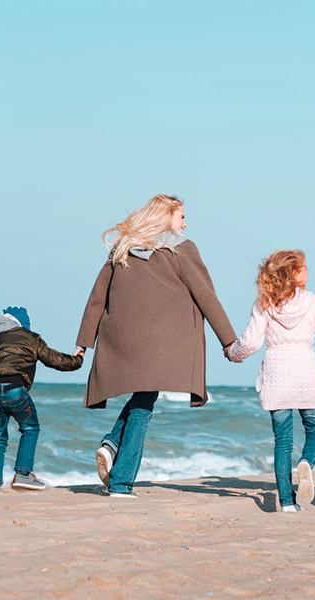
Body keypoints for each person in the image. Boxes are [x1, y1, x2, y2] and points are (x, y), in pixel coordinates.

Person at [76, 194, 237, 498]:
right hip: (163, 343)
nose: (185, 223)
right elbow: (206, 295)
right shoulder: (181, 249)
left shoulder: (122, 250)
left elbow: (96, 298)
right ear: (165, 219)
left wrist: (83, 344)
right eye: (181, 217)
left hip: (121, 339)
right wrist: (228, 340)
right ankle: (122, 482)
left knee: (143, 396)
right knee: (144, 407)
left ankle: (111, 444)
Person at [225, 250, 315, 513]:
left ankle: (287, 503)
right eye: (306, 268)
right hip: (305, 375)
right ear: (295, 274)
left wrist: (233, 354)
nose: (309, 273)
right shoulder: (312, 302)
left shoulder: (263, 303)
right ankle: (307, 464)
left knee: (283, 441)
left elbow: (251, 343)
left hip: (277, 377)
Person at [0, 306, 84, 494]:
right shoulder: (30, 338)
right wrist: (77, 360)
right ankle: (23, 474)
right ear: (22, 325)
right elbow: (55, 360)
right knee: (30, 428)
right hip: (15, 389)